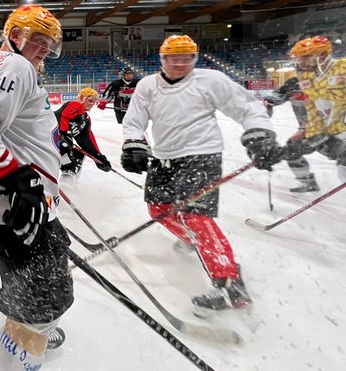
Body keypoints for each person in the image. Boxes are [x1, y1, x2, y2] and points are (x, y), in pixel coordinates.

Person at [120, 34, 284, 315]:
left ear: (195, 58)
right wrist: (134, 143)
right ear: (163, 59)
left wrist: (259, 136)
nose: (181, 63)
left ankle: (229, 282)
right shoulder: (148, 85)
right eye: (174, 58)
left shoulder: (210, 80)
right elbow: (134, 120)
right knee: (158, 210)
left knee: (196, 217)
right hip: (164, 157)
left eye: (187, 58)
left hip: (202, 156)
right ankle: (195, 241)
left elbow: (247, 107)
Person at [0, 4, 73, 370]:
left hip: (16, 199)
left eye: (50, 44)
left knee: (40, 287)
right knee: (40, 300)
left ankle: (34, 325)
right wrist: (18, 181)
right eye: (38, 40)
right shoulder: (12, 65)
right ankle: (30, 332)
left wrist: (42, 175)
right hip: (13, 203)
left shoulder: (9, 67)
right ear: (15, 35)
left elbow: (6, 133)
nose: (45, 50)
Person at [284, 36, 346, 183]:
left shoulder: (342, 67)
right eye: (299, 57)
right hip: (334, 131)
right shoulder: (307, 77)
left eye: (306, 56)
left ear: (323, 55)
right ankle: (307, 182)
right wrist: (312, 132)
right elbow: (313, 109)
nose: (300, 61)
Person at [263, 77, 320, 192]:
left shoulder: (315, 94)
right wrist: (268, 103)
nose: (293, 96)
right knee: (291, 149)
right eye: (292, 93)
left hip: (325, 129)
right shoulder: (292, 92)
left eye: (297, 92)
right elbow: (277, 96)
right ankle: (307, 181)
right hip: (307, 130)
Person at [54, 87, 112, 185]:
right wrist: (65, 134)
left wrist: (98, 157)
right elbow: (64, 116)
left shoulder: (85, 119)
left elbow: (87, 140)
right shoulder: (76, 105)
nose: (92, 103)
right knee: (65, 149)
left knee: (78, 154)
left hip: (61, 141)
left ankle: (68, 180)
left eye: (94, 101)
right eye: (90, 100)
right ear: (81, 98)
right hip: (49, 137)